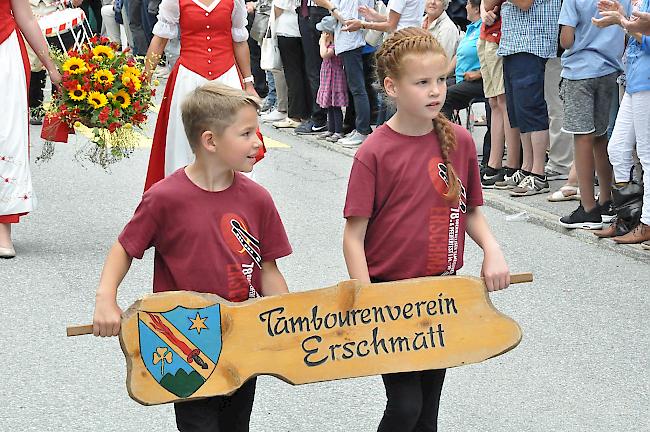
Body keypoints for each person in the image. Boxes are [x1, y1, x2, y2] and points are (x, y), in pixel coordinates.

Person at [92, 83, 292, 430]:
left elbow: (267, 269)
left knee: (235, 426)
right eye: (246, 133)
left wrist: (290, 319)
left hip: (241, 334)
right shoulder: (165, 198)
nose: (258, 142)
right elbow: (125, 248)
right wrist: (105, 299)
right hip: (183, 339)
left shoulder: (258, 199)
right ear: (210, 141)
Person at [342, 28, 510, 432]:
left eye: (440, 80)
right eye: (422, 83)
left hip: (441, 293)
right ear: (391, 87)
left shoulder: (461, 143)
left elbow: (470, 211)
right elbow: (353, 235)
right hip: (390, 296)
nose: (435, 91)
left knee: (427, 411)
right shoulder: (374, 152)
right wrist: (365, 295)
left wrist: (492, 250)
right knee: (404, 406)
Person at [142, 0, 262, 192]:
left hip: (226, 77)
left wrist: (248, 83)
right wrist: (144, 79)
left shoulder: (234, 1)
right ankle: (181, 196)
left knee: (232, 135)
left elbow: (239, 41)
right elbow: (160, 39)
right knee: (184, 138)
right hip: (188, 78)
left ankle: (235, 197)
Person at [557, 0, 629, 229]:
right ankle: (606, 200)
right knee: (600, 136)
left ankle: (588, 207)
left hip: (579, 71)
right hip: (609, 69)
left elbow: (566, 39)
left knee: (582, 136)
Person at [0, 0, 62, 259]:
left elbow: (24, 16)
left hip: (4, 51)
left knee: (6, 136)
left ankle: (2, 227)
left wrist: (51, 66)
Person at [592, 0, 650, 244]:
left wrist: (623, 22)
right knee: (616, 148)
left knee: (647, 155)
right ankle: (627, 218)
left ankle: (646, 222)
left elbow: (645, 38)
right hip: (636, 79)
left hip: (646, 81)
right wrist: (623, 17)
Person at [493, 0, 561, 196]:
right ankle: (526, 169)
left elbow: (524, 2)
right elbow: (489, 4)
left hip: (533, 41)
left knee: (532, 108)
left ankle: (538, 174)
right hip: (512, 43)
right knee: (519, 111)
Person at [478, 0, 521, 188]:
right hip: (486, 32)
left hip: (502, 35)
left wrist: (486, 8)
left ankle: (511, 164)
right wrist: (482, 12)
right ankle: (493, 162)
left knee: (504, 102)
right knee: (494, 102)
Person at [315, 16, 349, 142]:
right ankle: (331, 129)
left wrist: (323, 41)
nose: (322, 35)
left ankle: (338, 131)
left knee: (335, 106)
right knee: (329, 105)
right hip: (326, 77)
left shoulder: (334, 46)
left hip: (335, 78)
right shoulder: (328, 45)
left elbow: (324, 54)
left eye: (324, 33)